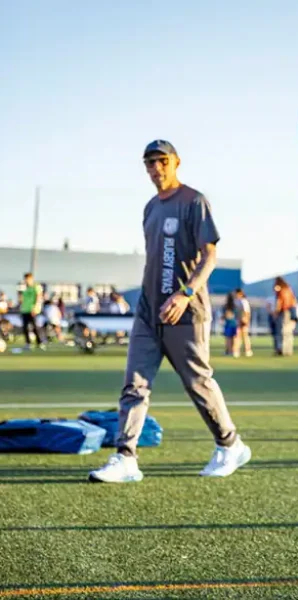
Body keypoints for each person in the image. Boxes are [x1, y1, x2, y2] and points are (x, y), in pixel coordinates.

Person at [89, 139, 250, 483]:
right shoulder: (150, 208)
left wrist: (185, 294)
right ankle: (126, 457)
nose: (155, 169)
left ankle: (230, 444)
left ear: (176, 162)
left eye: (162, 161)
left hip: (186, 312)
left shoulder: (195, 202)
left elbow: (210, 257)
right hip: (149, 313)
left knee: (197, 383)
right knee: (134, 384)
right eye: (149, 163)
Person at [19, 273, 46, 351]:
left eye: (27, 279)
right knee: (25, 328)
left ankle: (40, 343)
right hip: (25, 310)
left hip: (32, 310)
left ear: (31, 279)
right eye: (25, 279)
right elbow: (23, 300)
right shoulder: (25, 288)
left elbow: (39, 297)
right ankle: (28, 343)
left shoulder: (36, 286)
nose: (26, 281)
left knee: (34, 327)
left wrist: (36, 308)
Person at [273, 277, 298, 356]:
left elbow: (279, 302)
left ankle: (282, 349)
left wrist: (276, 312)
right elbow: (294, 301)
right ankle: (288, 350)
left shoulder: (280, 290)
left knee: (282, 331)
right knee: (289, 332)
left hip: (284, 311)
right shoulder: (288, 289)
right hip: (292, 311)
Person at [234, 288, 253, 357]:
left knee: (245, 336)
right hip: (238, 320)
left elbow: (246, 312)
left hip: (243, 320)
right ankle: (236, 351)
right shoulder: (236, 301)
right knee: (237, 335)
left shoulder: (244, 301)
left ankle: (248, 350)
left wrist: (245, 320)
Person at [222, 292, 238, 357]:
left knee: (228, 338)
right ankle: (234, 351)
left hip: (228, 324)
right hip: (234, 323)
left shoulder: (225, 306)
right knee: (234, 338)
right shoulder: (235, 306)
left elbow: (224, 315)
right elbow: (237, 315)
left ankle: (228, 351)